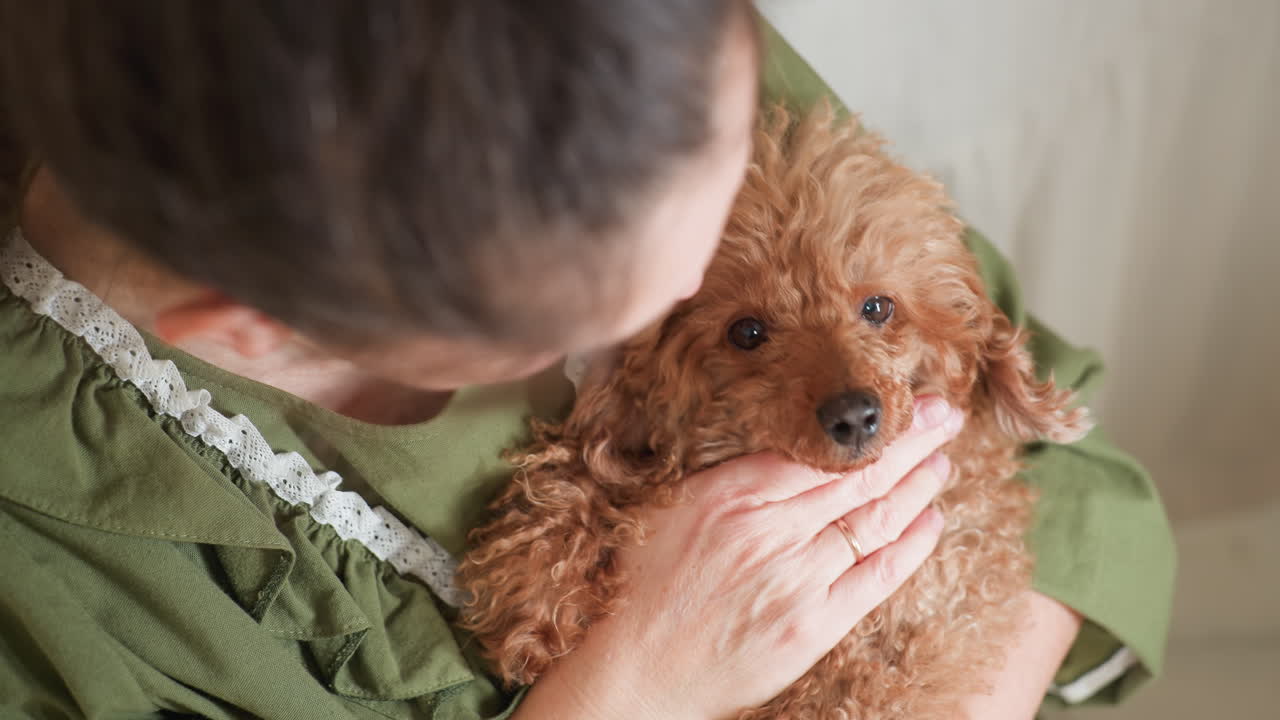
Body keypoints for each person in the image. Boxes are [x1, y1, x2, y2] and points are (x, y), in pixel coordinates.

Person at [0, 2, 1174, 719]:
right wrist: (634, 691)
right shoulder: (59, 589)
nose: (686, 302)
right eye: (601, 301)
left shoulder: (621, 55)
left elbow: (1046, 441)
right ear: (244, 324)